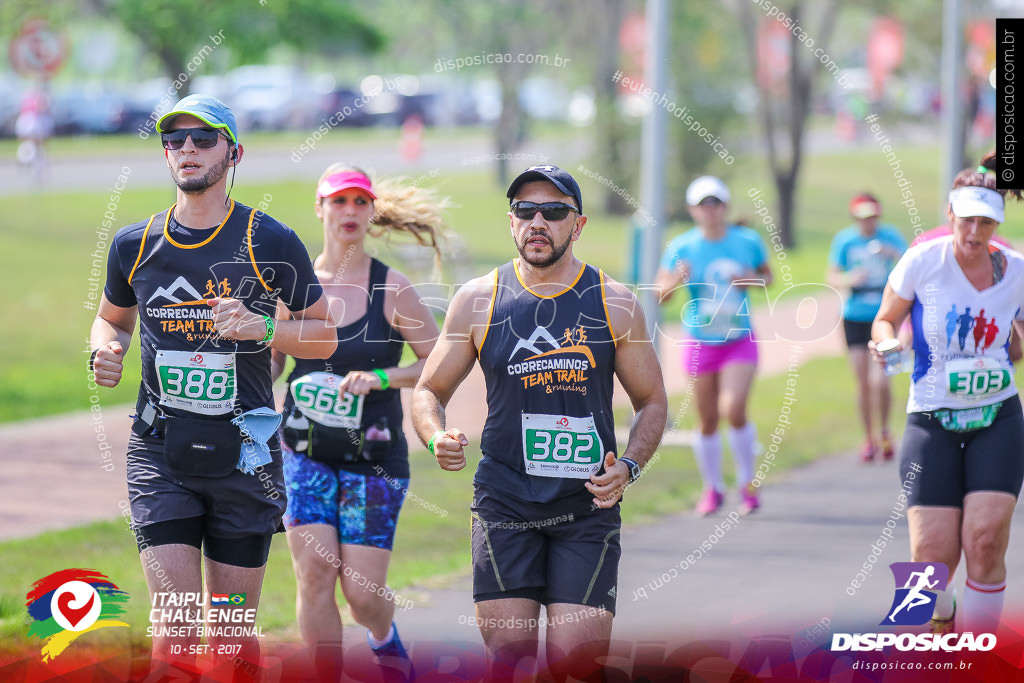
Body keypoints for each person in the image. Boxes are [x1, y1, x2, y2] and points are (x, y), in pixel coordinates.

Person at [89, 94, 336, 677]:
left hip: (245, 458)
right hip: (160, 452)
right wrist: (107, 347)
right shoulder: (135, 243)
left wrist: (264, 326)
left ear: (234, 152)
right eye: (175, 140)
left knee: (229, 636)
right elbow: (111, 317)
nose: (188, 149)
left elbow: (324, 337)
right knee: (173, 627)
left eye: (203, 139)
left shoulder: (270, 241)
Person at [411, 165, 667, 679]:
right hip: (504, 503)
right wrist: (436, 434)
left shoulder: (613, 302)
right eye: (526, 211)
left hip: (586, 506)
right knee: (509, 663)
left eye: (553, 212)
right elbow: (428, 391)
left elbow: (653, 400)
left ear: (579, 224)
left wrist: (631, 466)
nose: (538, 222)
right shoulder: (478, 300)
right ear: (511, 223)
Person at [271, 165, 447, 678]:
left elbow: (439, 364)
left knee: (363, 596)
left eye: (360, 202)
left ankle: (383, 638)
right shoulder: (294, 288)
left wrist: (384, 377)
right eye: (339, 201)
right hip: (303, 451)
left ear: (372, 213)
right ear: (321, 208)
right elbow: (274, 365)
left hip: (375, 457)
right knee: (316, 574)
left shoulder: (392, 289)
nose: (349, 211)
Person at [870, 153, 1024, 635]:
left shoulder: (1016, 270)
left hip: (997, 418)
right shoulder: (922, 260)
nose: (975, 233)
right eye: (967, 220)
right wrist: (886, 342)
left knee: (983, 542)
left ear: (997, 222)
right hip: (932, 419)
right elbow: (884, 318)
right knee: (931, 558)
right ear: (949, 214)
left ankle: (980, 658)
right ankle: (937, 625)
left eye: (986, 222)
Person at [655, 176, 772, 516]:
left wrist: (749, 279)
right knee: (706, 420)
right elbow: (660, 295)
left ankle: (748, 485)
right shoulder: (681, 247)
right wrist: (678, 278)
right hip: (700, 341)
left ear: (725, 207)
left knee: (733, 409)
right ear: (693, 210)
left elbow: (768, 278)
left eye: (716, 204)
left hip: (738, 339)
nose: (710, 211)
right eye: (703, 205)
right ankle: (713, 489)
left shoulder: (747, 240)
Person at [827, 193, 907, 462]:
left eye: (872, 216)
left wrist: (893, 253)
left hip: (885, 316)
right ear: (855, 218)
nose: (867, 222)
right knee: (862, 382)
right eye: (862, 217)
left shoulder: (891, 236)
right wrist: (850, 278)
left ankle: (885, 431)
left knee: (880, 380)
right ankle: (868, 437)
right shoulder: (845, 240)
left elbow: (911, 265)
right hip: (854, 315)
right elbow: (832, 276)